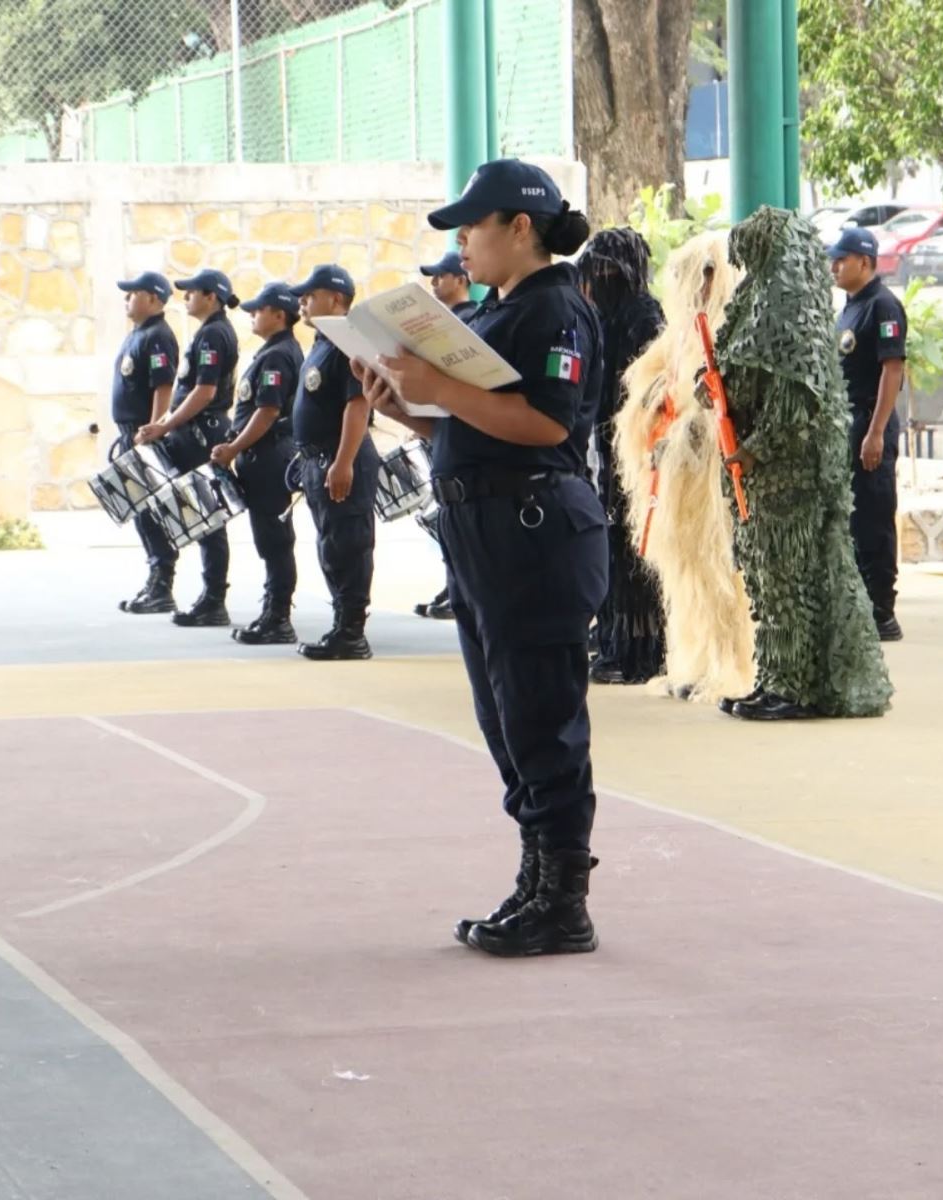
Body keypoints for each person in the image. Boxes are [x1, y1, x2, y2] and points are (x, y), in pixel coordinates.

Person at [356, 159, 607, 957]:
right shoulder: (502, 312)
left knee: (541, 713)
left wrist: (439, 384)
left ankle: (564, 900)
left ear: (520, 227)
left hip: (534, 531)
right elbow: (474, 427)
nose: (462, 242)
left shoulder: (555, 309)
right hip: (487, 531)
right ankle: (536, 881)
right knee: (507, 716)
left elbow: (546, 426)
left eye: (473, 227)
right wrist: (409, 406)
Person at [714, 205, 893, 721]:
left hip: (790, 479)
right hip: (760, 478)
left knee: (790, 583)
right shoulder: (755, 302)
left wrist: (754, 448)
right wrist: (717, 391)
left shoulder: (791, 310)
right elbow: (740, 373)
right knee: (769, 585)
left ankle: (794, 688)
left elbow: (798, 403)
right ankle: (775, 677)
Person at [616, 232, 755, 703]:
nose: (695, 284)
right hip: (675, 483)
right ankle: (693, 663)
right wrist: (654, 405)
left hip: (713, 486)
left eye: (705, 275)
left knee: (723, 581)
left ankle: (730, 666)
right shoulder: (676, 338)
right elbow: (643, 392)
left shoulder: (733, 331)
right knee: (684, 581)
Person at [576, 227, 666, 685]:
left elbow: (653, 389)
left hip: (639, 454)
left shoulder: (644, 315)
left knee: (634, 549)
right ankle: (612, 633)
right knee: (611, 545)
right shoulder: (602, 317)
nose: (594, 280)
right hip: (606, 448)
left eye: (603, 270)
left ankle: (639, 648)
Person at [137, 269, 239, 627]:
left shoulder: (213, 333)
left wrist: (165, 423)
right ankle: (206, 595)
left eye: (192, 292)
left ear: (211, 296)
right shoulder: (209, 331)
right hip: (194, 432)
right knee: (197, 515)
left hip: (202, 434)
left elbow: (205, 391)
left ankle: (213, 599)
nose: (185, 298)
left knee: (208, 518)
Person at [290, 265, 380, 660]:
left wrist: (343, 462)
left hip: (341, 457)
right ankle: (342, 626)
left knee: (348, 544)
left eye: (311, 294)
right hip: (320, 459)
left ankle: (351, 633)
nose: (302, 301)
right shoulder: (322, 342)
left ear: (338, 299)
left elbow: (357, 404)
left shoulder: (348, 341)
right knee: (331, 544)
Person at [208, 282, 305, 645]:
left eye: (258, 310)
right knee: (269, 539)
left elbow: (267, 411)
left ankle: (278, 617)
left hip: (270, 456)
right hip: (261, 455)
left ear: (279, 314)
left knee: (275, 540)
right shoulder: (273, 351)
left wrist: (233, 448)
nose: (252, 314)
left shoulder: (278, 355)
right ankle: (272, 612)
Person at [828, 227, 907, 641]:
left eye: (842, 259)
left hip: (870, 422)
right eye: (833, 258)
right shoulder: (848, 309)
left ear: (865, 261)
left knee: (874, 517)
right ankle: (859, 604)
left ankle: (882, 612)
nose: (834, 266)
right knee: (853, 518)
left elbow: (893, 370)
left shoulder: (883, 306)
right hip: (847, 423)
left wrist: (876, 432)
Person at [110, 271, 180, 615]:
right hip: (129, 432)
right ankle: (154, 578)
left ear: (153, 298)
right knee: (139, 510)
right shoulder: (138, 334)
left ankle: (162, 582)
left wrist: (154, 429)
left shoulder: (158, 336)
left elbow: (162, 387)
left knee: (149, 511)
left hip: (142, 433)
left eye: (133, 294)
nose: (127, 300)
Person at [413, 250, 477, 620]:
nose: (435, 282)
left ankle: (460, 589)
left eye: (441, 276)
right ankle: (452, 585)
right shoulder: (448, 321)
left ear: (461, 280)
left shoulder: (466, 320)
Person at [419, 249, 478, 320]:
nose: (433, 282)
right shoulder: (449, 318)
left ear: (460, 281)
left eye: (440, 276)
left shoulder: (469, 319)